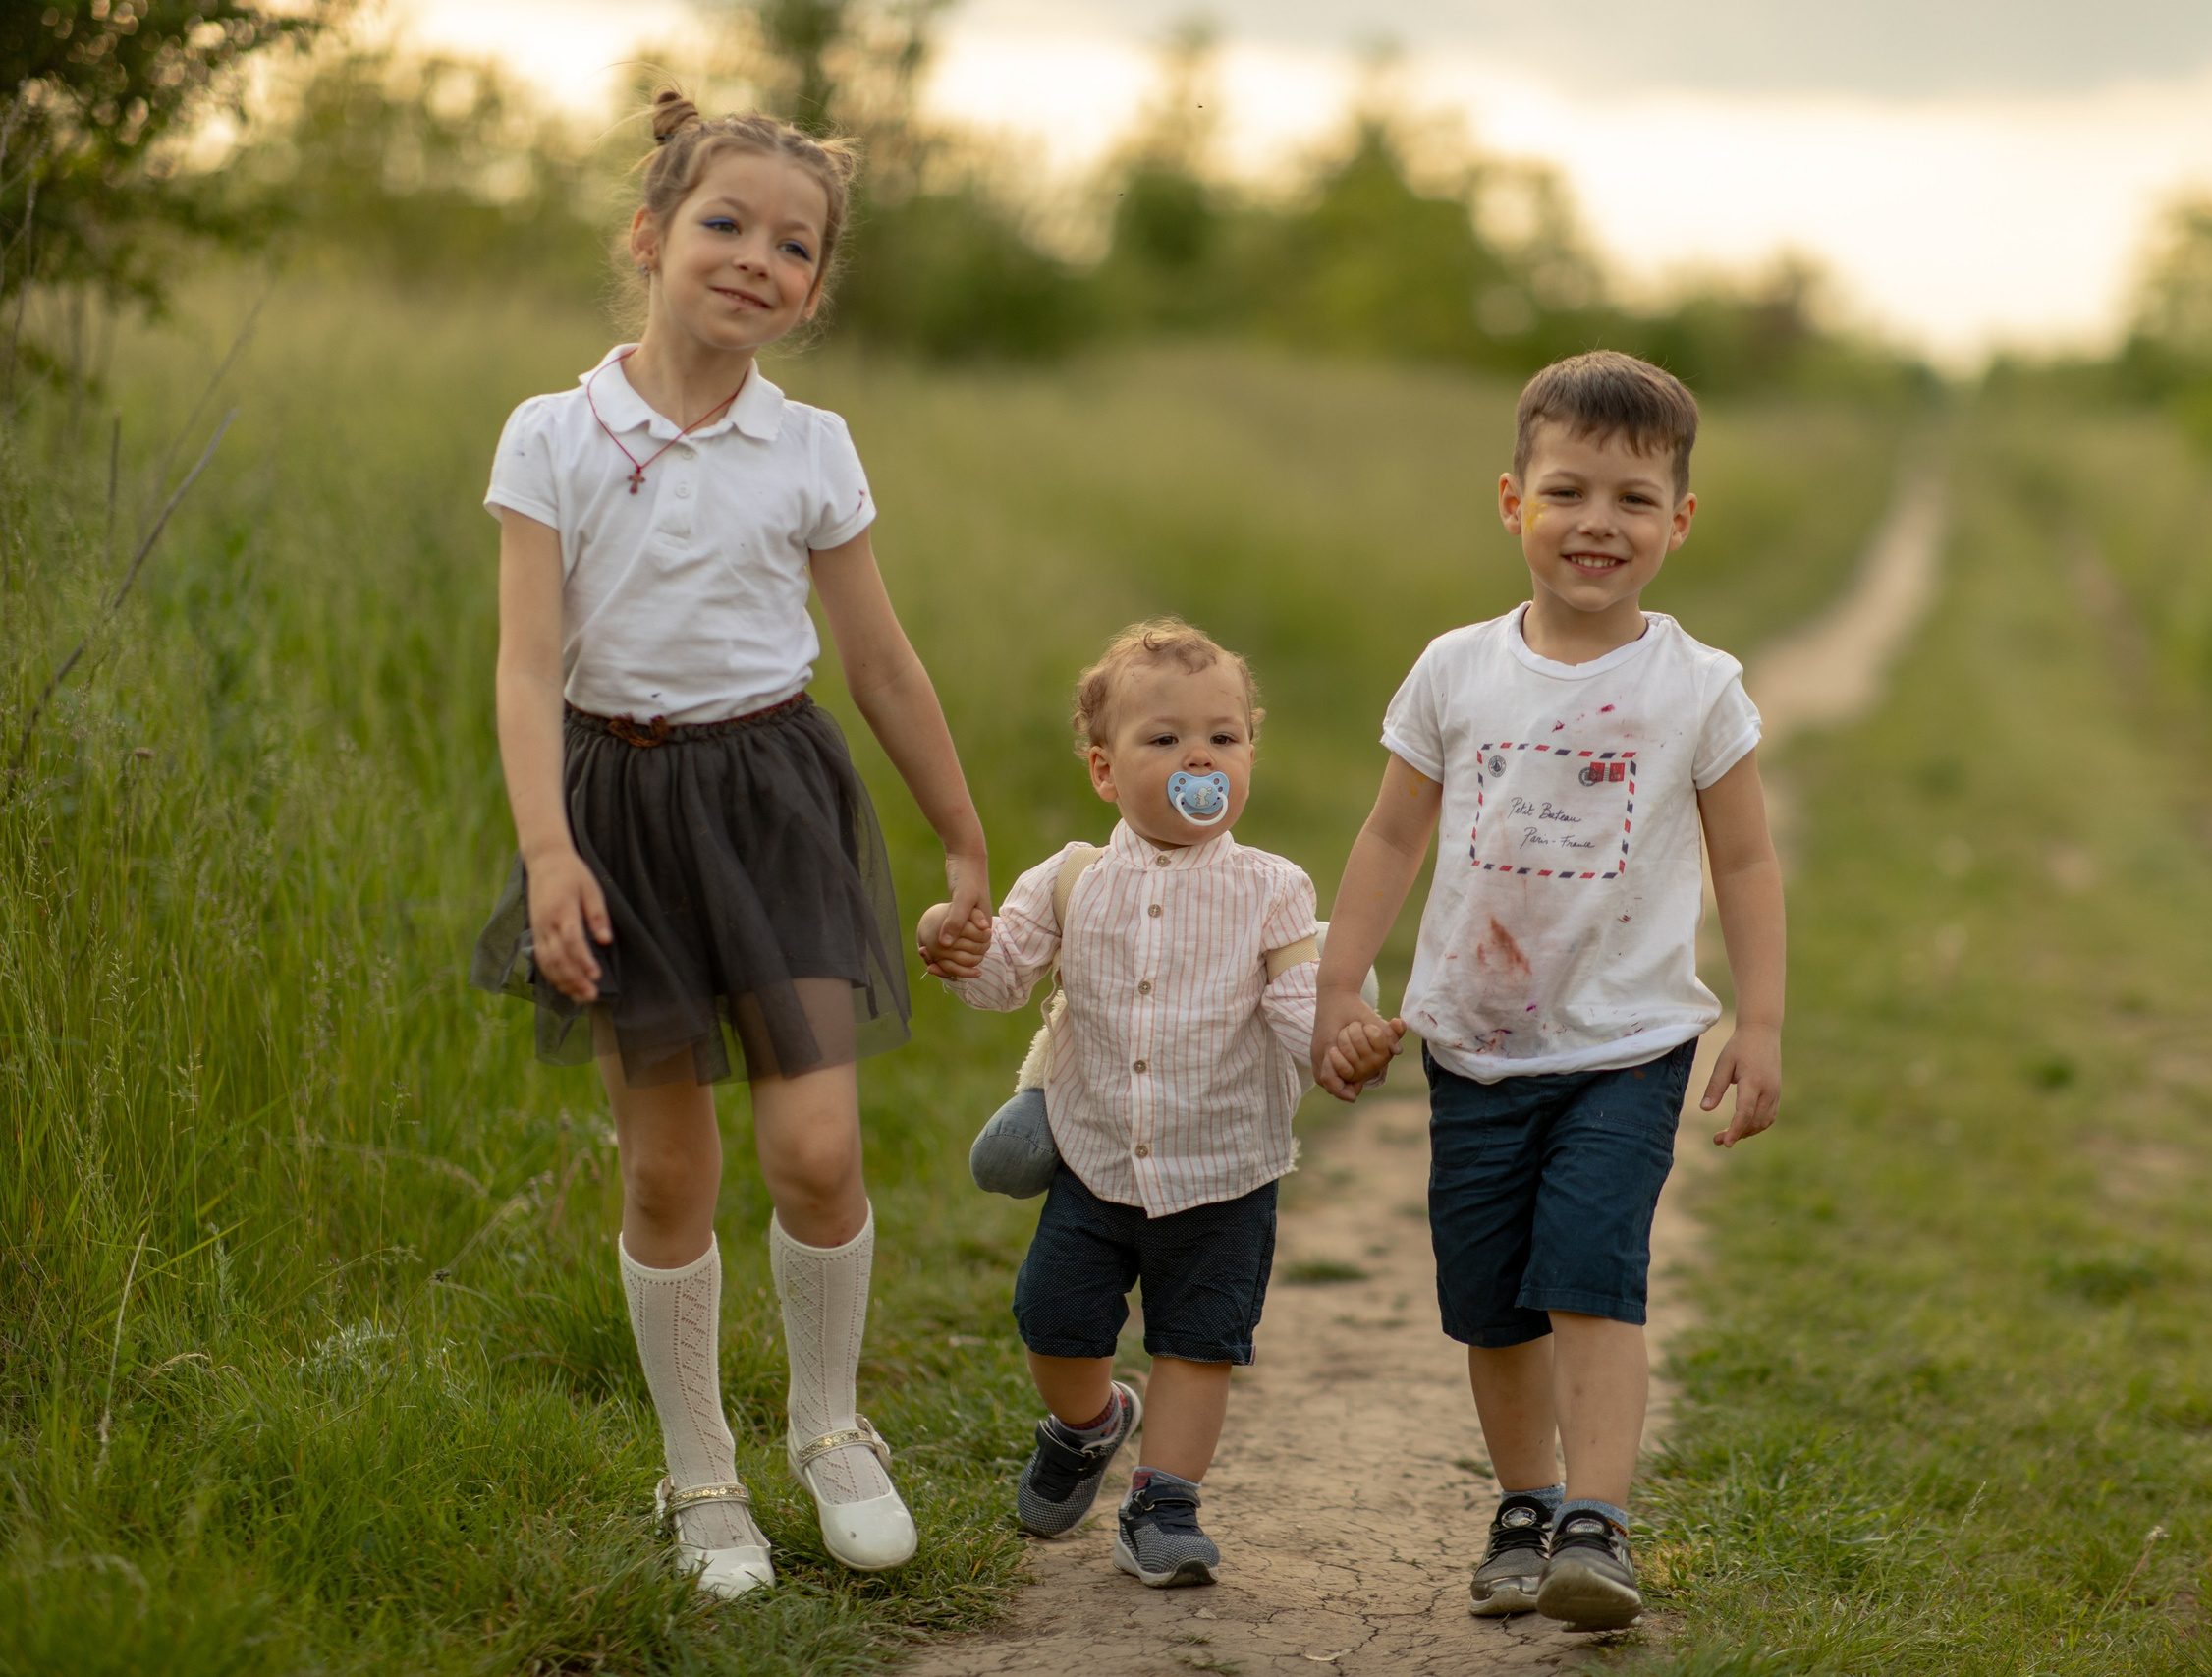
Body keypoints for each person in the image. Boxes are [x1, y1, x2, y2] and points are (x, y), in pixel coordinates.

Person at [470, 89, 993, 1599]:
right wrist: (549, 850)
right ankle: (701, 1471)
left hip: (775, 801)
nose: (758, 259)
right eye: (726, 224)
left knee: (817, 1150)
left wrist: (958, 826)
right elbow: (522, 664)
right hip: (615, 813)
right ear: (650, 234)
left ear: (815, 288)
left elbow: (882, 661)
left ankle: (831, 1426)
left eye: (795, 244)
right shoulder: (553, 432)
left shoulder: (810, 445)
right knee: (664, 1174)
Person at [1308, 351, 1786, 1632]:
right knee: (1493, 1298)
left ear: (1679, 523)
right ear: (1510, 499)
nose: (1598, 523)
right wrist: (1338, 980)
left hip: (1630, 1042)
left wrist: (1763, 1017)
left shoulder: (1698, 687)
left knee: (1591, 1270)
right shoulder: (1457, 671)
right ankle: (1524, 1503)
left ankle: (1598, 1519)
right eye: (1568, 490)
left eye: (1634, 499)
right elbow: (1390, 838)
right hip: (1471, 1041)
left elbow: (1744, 855)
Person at [918, 619, 1401, 1588]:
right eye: (1165, 739)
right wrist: (955, 942)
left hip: (1223, 1174)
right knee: (1053, 1319)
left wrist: (1340, 1038)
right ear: (1103, 770)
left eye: (1225, 738)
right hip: (1096, 1161)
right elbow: (1001, 976)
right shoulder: (1068, 879)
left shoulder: (1271, 889)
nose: (1200, 758)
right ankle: (1089, 1423)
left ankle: (1163, 1504)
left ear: (1250, 756)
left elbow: (1299, 1000)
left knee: (1197, 1343)